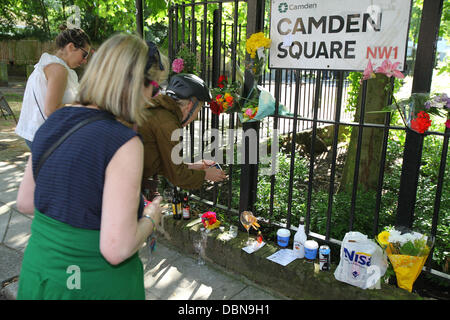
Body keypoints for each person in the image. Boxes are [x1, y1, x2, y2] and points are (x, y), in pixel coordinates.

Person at [15, 33, 164, 300]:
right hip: (91, 284)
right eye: (154, 86)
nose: (153, 97)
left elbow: (26, 202)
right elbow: (116, 249)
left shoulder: (55, 119)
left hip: (40, 276)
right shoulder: (124, 142)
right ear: (134, 84)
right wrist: (151, 217)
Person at [137, 73, 227, 193]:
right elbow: (178, 176)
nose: (195, 117)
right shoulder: (168, 123)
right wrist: (206, 174)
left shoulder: (158, 111)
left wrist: (194, 166)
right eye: (198, 111)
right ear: (190, 106)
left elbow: (164, 164)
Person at [15, 25, 91, 148]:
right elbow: (51, 110)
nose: (85, 61)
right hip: (46, 137)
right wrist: (85, 107)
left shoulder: (50, 64)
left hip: (39, 134)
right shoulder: (57, 69)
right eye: (84, 55)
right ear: (71, 47)